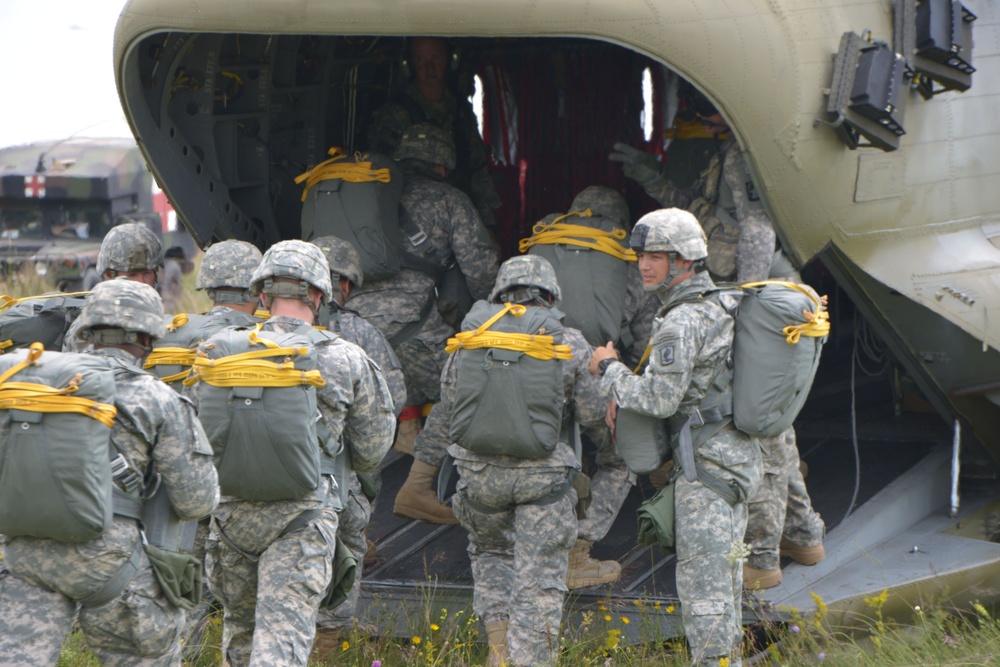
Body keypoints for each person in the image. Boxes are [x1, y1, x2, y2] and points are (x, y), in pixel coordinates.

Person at [0, 279, 220, 666]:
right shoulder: (158, 397)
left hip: (25, 555)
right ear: (150, 336)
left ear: (86, 331)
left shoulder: (27, 383)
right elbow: (196, 501)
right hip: (111, 564)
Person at [199, 240, 395, 667]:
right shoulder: (345, 358)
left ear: (263, 297)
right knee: (282, 642)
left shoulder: (216, 349)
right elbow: (371, 450)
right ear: (320, 295)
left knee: (241, 633)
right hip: (302, 518)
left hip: (230, 516)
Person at [589, 209, 763, 666]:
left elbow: (659, 399)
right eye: (642, 256)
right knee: (725, 589)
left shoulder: (682, 320)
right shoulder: (721, 305)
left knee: (705, 595)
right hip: (733, 461)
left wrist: (610, 370)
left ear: (684, 260)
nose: (644, 265)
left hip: (705, 473)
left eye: (656, 256)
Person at [420, 255, 603, 666]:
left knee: (491, 554)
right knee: (538, 580)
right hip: (544, 479)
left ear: (499, 293)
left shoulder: (472, 337)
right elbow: (593, 416)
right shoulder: (569, 341)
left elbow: (449, 406)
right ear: (551, 296)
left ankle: (500, 648)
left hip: (480, 478)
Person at [346, 123, 498, 524]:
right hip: (414, 332)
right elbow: (482, 271)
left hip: (352, 331)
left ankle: (356, 531)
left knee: (357, 417)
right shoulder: (449, 199)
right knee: (467, 390)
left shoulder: (364, 194)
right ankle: (418, 487)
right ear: (444, 165)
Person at [309, 235, 407, 657]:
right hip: (340, 474)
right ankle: (326, 646)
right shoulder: (357, 332)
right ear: (344, 285)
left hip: (268, 474)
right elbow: (394, 397)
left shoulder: (255, 329)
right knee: (346, 551)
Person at [368, 36, 501, 228]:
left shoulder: (460, 111)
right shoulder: (396, 115)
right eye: (421, 60)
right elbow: (381, 175)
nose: (429, 68)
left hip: (459, 219)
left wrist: (488, 224)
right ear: (410, 64)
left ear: (450, 60)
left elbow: (477, 168)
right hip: (414, 223)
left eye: (436, 58)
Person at [66, 222, 165, 351]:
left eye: (147, 273)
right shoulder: (90, 326)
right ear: (109, 275)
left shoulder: (161, 320)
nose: (142, 282)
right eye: (132, 274)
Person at [159, 245, 188, 314]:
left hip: (165, 296)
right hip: (169, 297)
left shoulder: (165, 264)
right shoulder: (174, 266)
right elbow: (167, 280)